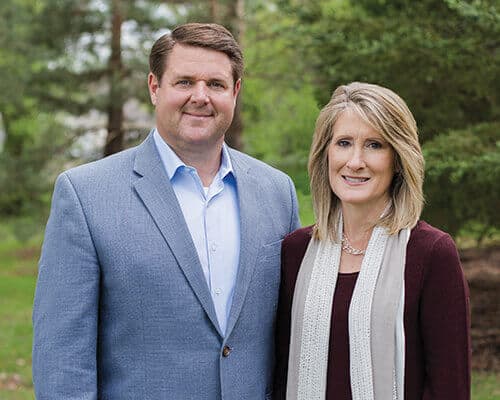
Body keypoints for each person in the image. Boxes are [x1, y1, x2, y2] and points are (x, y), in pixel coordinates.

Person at [33, 23, 300, 399]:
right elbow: (62, 363)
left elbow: (292, 334)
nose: (200, 96)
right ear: (154, 87)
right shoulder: (85, 195)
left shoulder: (277, 192)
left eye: (216, 84)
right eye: (185, 82)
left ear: (235, 91)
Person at [273, 82, 470, 400]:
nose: (355, 161)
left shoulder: (430, 253)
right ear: (326, 153)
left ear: (398, 159)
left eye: (374, 145)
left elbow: (450, 388)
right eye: (344, 143)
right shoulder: (295, 252)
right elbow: (279, 373)